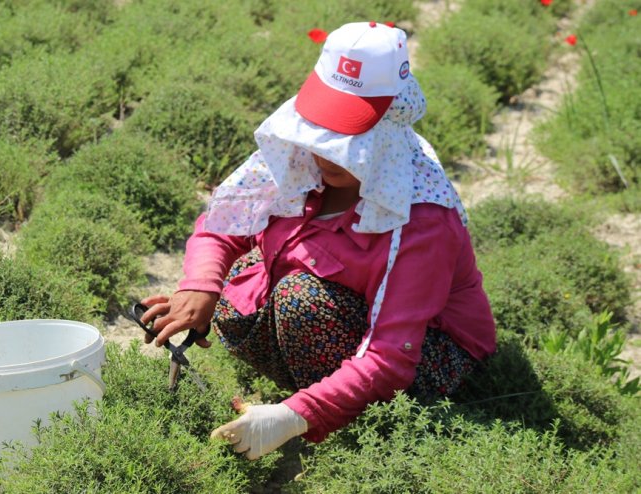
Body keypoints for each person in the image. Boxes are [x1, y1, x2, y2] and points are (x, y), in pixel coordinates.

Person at [140, 21, 496, 460]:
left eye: (348, 136)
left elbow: (391, 355)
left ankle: (350, 429)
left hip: (425, 354)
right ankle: (316, 399)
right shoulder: (298, 161)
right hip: (345, 328)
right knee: (235, 288)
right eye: (322, 127)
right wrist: (199, 285)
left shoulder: (418, 218)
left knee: (300, 299)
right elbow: (224, 223)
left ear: (387, 129)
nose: (326, 151)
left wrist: (292, 415)